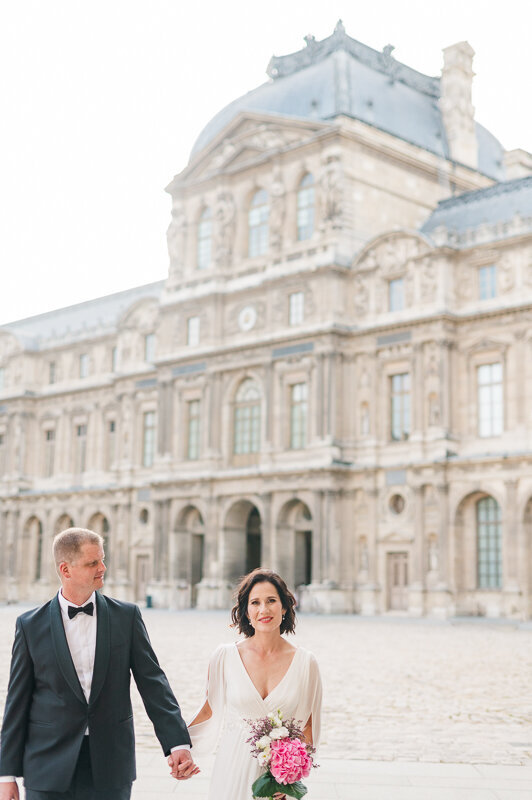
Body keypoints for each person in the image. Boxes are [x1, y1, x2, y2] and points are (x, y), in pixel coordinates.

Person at [0, 527, 199, 800]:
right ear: (66, 570)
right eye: (92, 563)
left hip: (111, 763)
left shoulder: (126, 617)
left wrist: (176, 743)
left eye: (102, 559)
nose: (102, 567)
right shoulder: (29, 625)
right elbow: (17, 702)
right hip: (46, 765)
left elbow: (153, 684)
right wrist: (6, 774)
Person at [187, 568, 322, 800]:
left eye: (271, 600)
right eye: (255, 602)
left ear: (285, 607)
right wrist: (179, 747)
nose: (264, 609)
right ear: (246, 611)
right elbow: (208, 710)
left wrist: (290, 778)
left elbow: (308, 727)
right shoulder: (224, 656)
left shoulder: (306, 662)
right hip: (231, 768)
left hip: (278, 780)